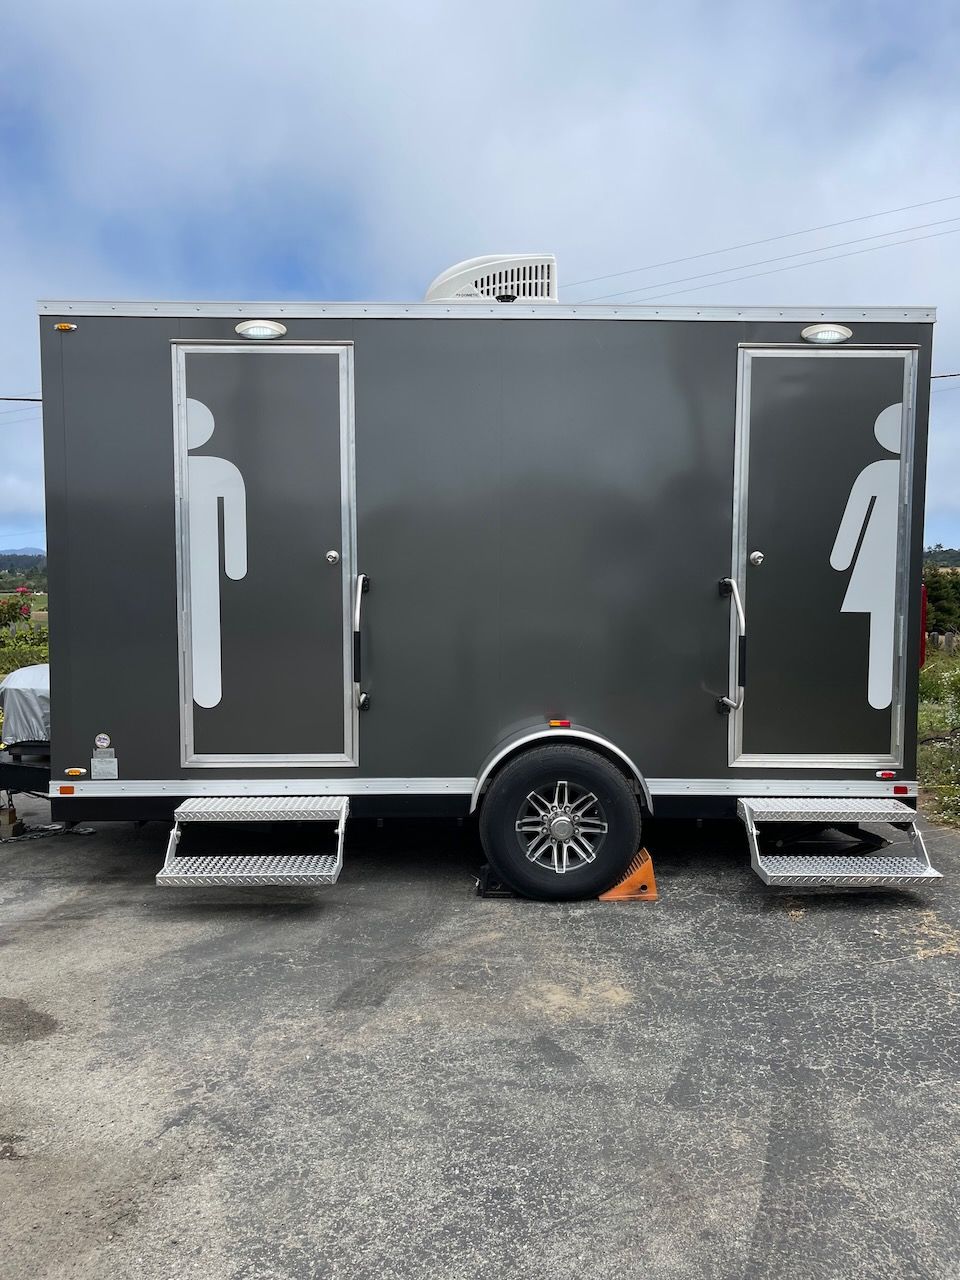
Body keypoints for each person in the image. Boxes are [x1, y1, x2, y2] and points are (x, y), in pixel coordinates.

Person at [829, 402, 902, 710]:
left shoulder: (873, 472)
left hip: (871, 565)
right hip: (888, 564)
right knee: (883, 621)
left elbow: (853, 520)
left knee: (879, 621)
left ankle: (876, 699)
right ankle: (878, 698)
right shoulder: (902, 473)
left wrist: (841, 558)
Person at [186, 398, 247, 708]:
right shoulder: (223, 469)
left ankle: (206, 694)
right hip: (206, 561)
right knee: (205, 618)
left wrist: (236, 565)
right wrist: (236, 566)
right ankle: (207, 692)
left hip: (198, 559)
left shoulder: (177, 470)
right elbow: (236, 522)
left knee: (200, 621)